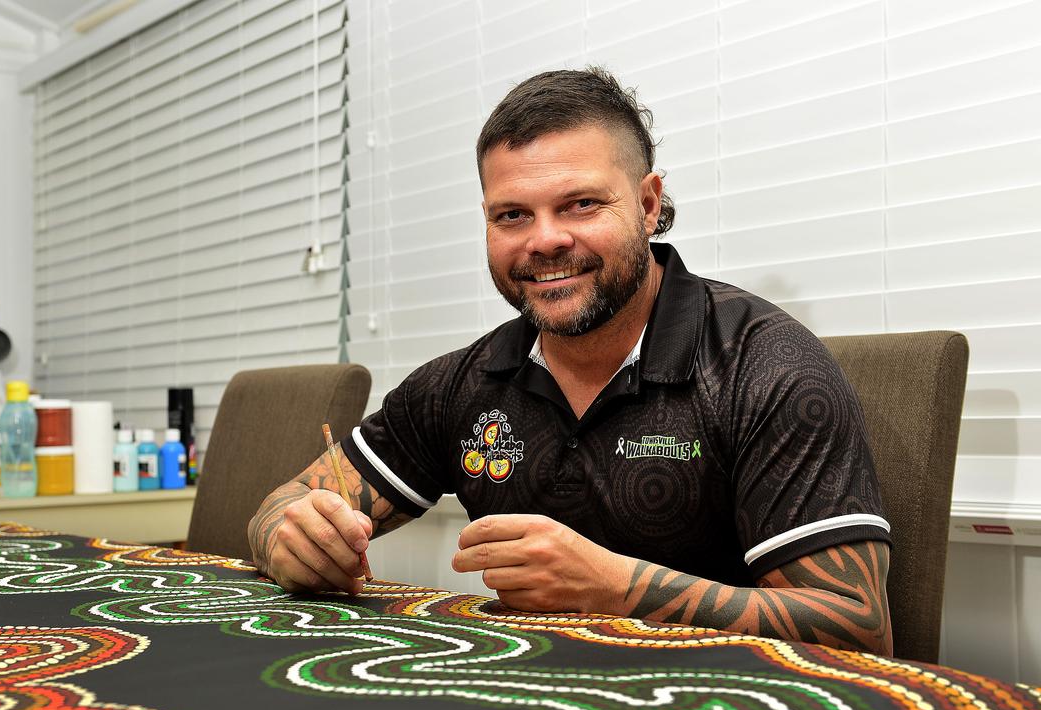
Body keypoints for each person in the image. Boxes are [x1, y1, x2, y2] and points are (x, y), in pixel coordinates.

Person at [248, 67, 893, 655]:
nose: (545, 239)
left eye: (580, 204)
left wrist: (612, 585)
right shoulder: (464, 383)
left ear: (646, 205)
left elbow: (858, 626)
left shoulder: (767, 366)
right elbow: (284, 503)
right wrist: (291, 537)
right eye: (513, 215)